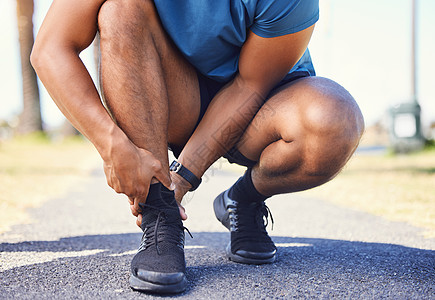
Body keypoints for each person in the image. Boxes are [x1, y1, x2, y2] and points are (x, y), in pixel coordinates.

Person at [31, 0, 364, 294]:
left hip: (260, 104)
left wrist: (184, 177)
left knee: (334, 121)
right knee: (120, 8)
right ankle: (160, 217)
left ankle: (242, 199)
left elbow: (248, 86)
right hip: (178, 94)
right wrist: (111, 143)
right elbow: (50, 49)